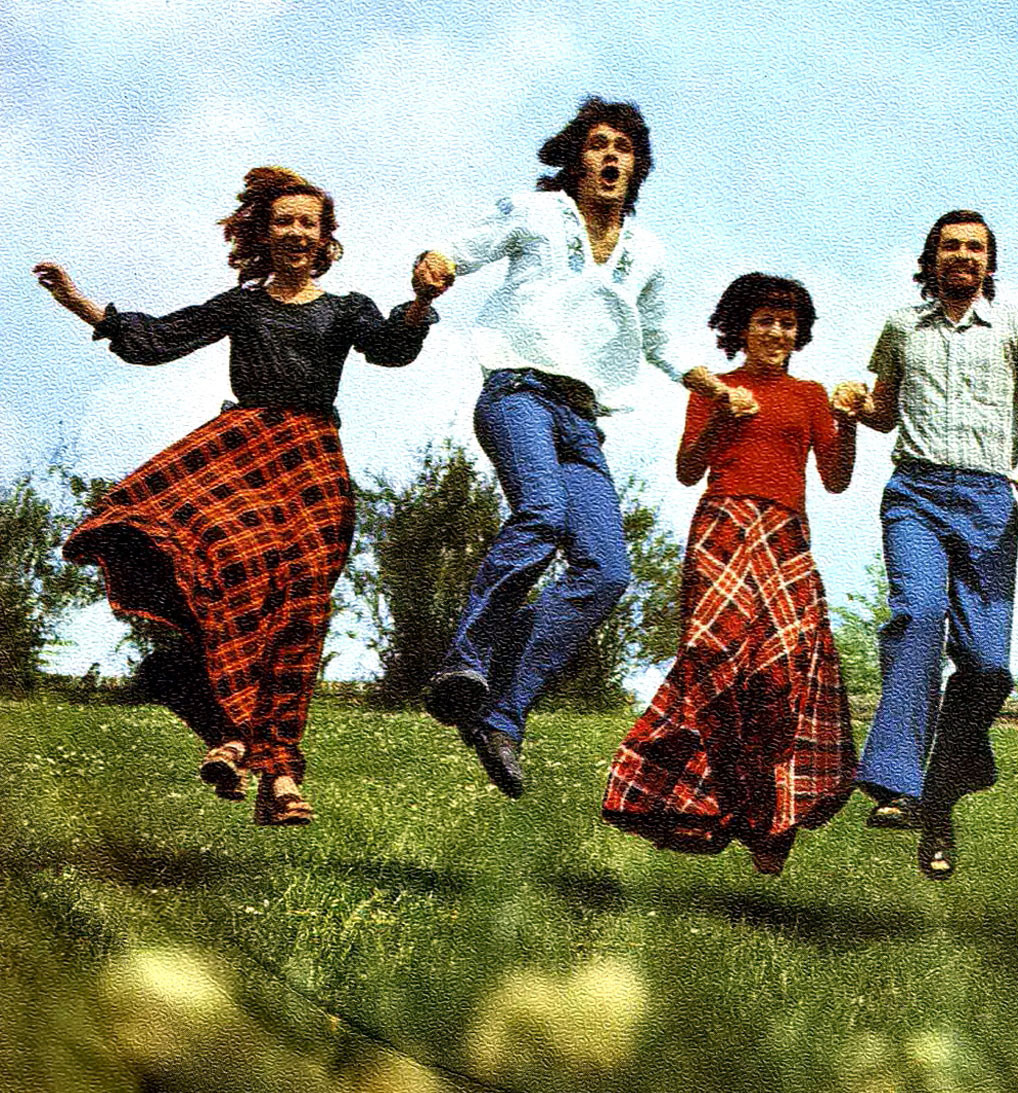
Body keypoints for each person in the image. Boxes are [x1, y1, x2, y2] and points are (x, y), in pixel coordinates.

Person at [36, 166, 443, 825]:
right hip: (242, 451)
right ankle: (240, 740)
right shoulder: (244, 304)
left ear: (325, 238)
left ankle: (275, 771)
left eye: (308, 222)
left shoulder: (347, 309)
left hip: (312, 462)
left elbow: (393, 348)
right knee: (232, 569)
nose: (296, 232)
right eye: (284, 221)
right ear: (264, 233)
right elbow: (158, 340)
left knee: (301, 608)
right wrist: (77, 301)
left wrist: (419, 301)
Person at [411, 97, 755, 798]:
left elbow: (657, 339)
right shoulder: (537, 212)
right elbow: (461, 250)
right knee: (541, 513)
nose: (610, 157)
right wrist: (435, 264)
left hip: (581, 416)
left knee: (605, 572)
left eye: (623, 149)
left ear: (637, 167)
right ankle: (464, 661)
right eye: (598, 145)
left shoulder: (647, 251)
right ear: (576, 159)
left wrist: (714, 387)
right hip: (517, 391)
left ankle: (501, 715)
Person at [602, 273, 858, 874]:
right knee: (715, 659)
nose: (776, 333)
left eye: (788, 324)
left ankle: (769, 820)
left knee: (781, 671)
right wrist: (722, 413)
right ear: (740, 328)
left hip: (785, 536)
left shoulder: (810, 395)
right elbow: (687, 470)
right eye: (765, 321)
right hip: (722, 527)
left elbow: (837, 479)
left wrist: (846, 421)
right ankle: (687, 802)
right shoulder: (713, 388)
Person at [838, 210, 1018, 879]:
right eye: (950, 246)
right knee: (917, 615)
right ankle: (895, 780)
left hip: (989, 500)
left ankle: (945, 783)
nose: (962, 255)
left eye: (974, 247)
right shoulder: (900, 326)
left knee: (987, 664)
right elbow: (883, 413)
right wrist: (852, 402)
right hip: (914, 493)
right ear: (931, 258)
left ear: (989, 262)